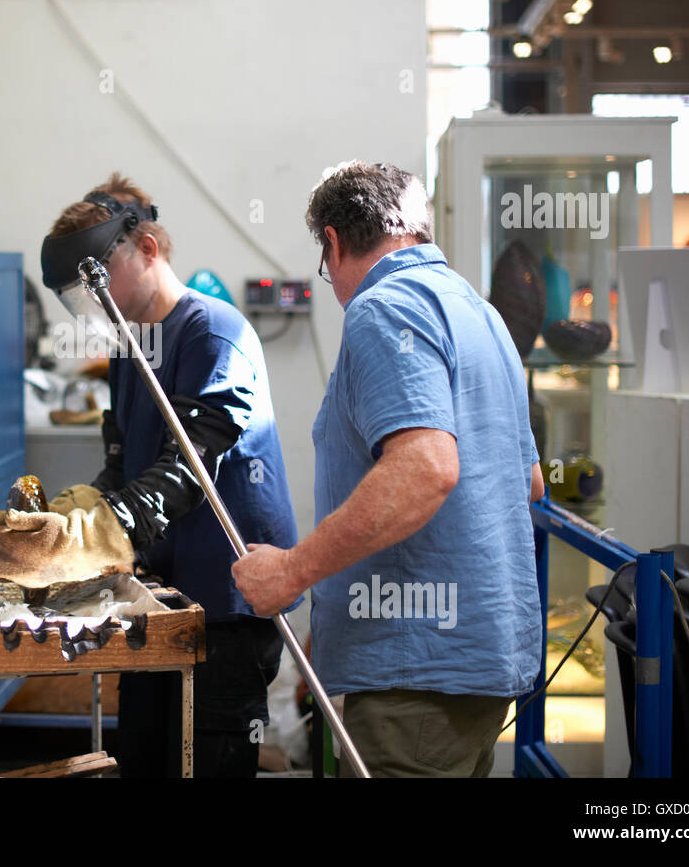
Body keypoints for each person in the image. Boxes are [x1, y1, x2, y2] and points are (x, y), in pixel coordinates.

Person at [232, 160, 544, 778]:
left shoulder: (384, 309)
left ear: (334, 241)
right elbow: (528, 481)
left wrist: (293, 571)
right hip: (484, 662)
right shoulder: (480, 314)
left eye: (325, 268)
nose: (333, 283)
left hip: (415, 680)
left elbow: (427, 468)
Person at [36, 172, 299, 777]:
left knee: (208, 758)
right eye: (77, 300)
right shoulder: (134, 346)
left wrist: (101, 529)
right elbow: (124, 460)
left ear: (147, 250)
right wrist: (68, 517)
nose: (92, 309)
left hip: (225, 601)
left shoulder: (214, 332)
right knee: (145, 760)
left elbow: (189, 464)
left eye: (93, 289)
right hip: (157, 597)